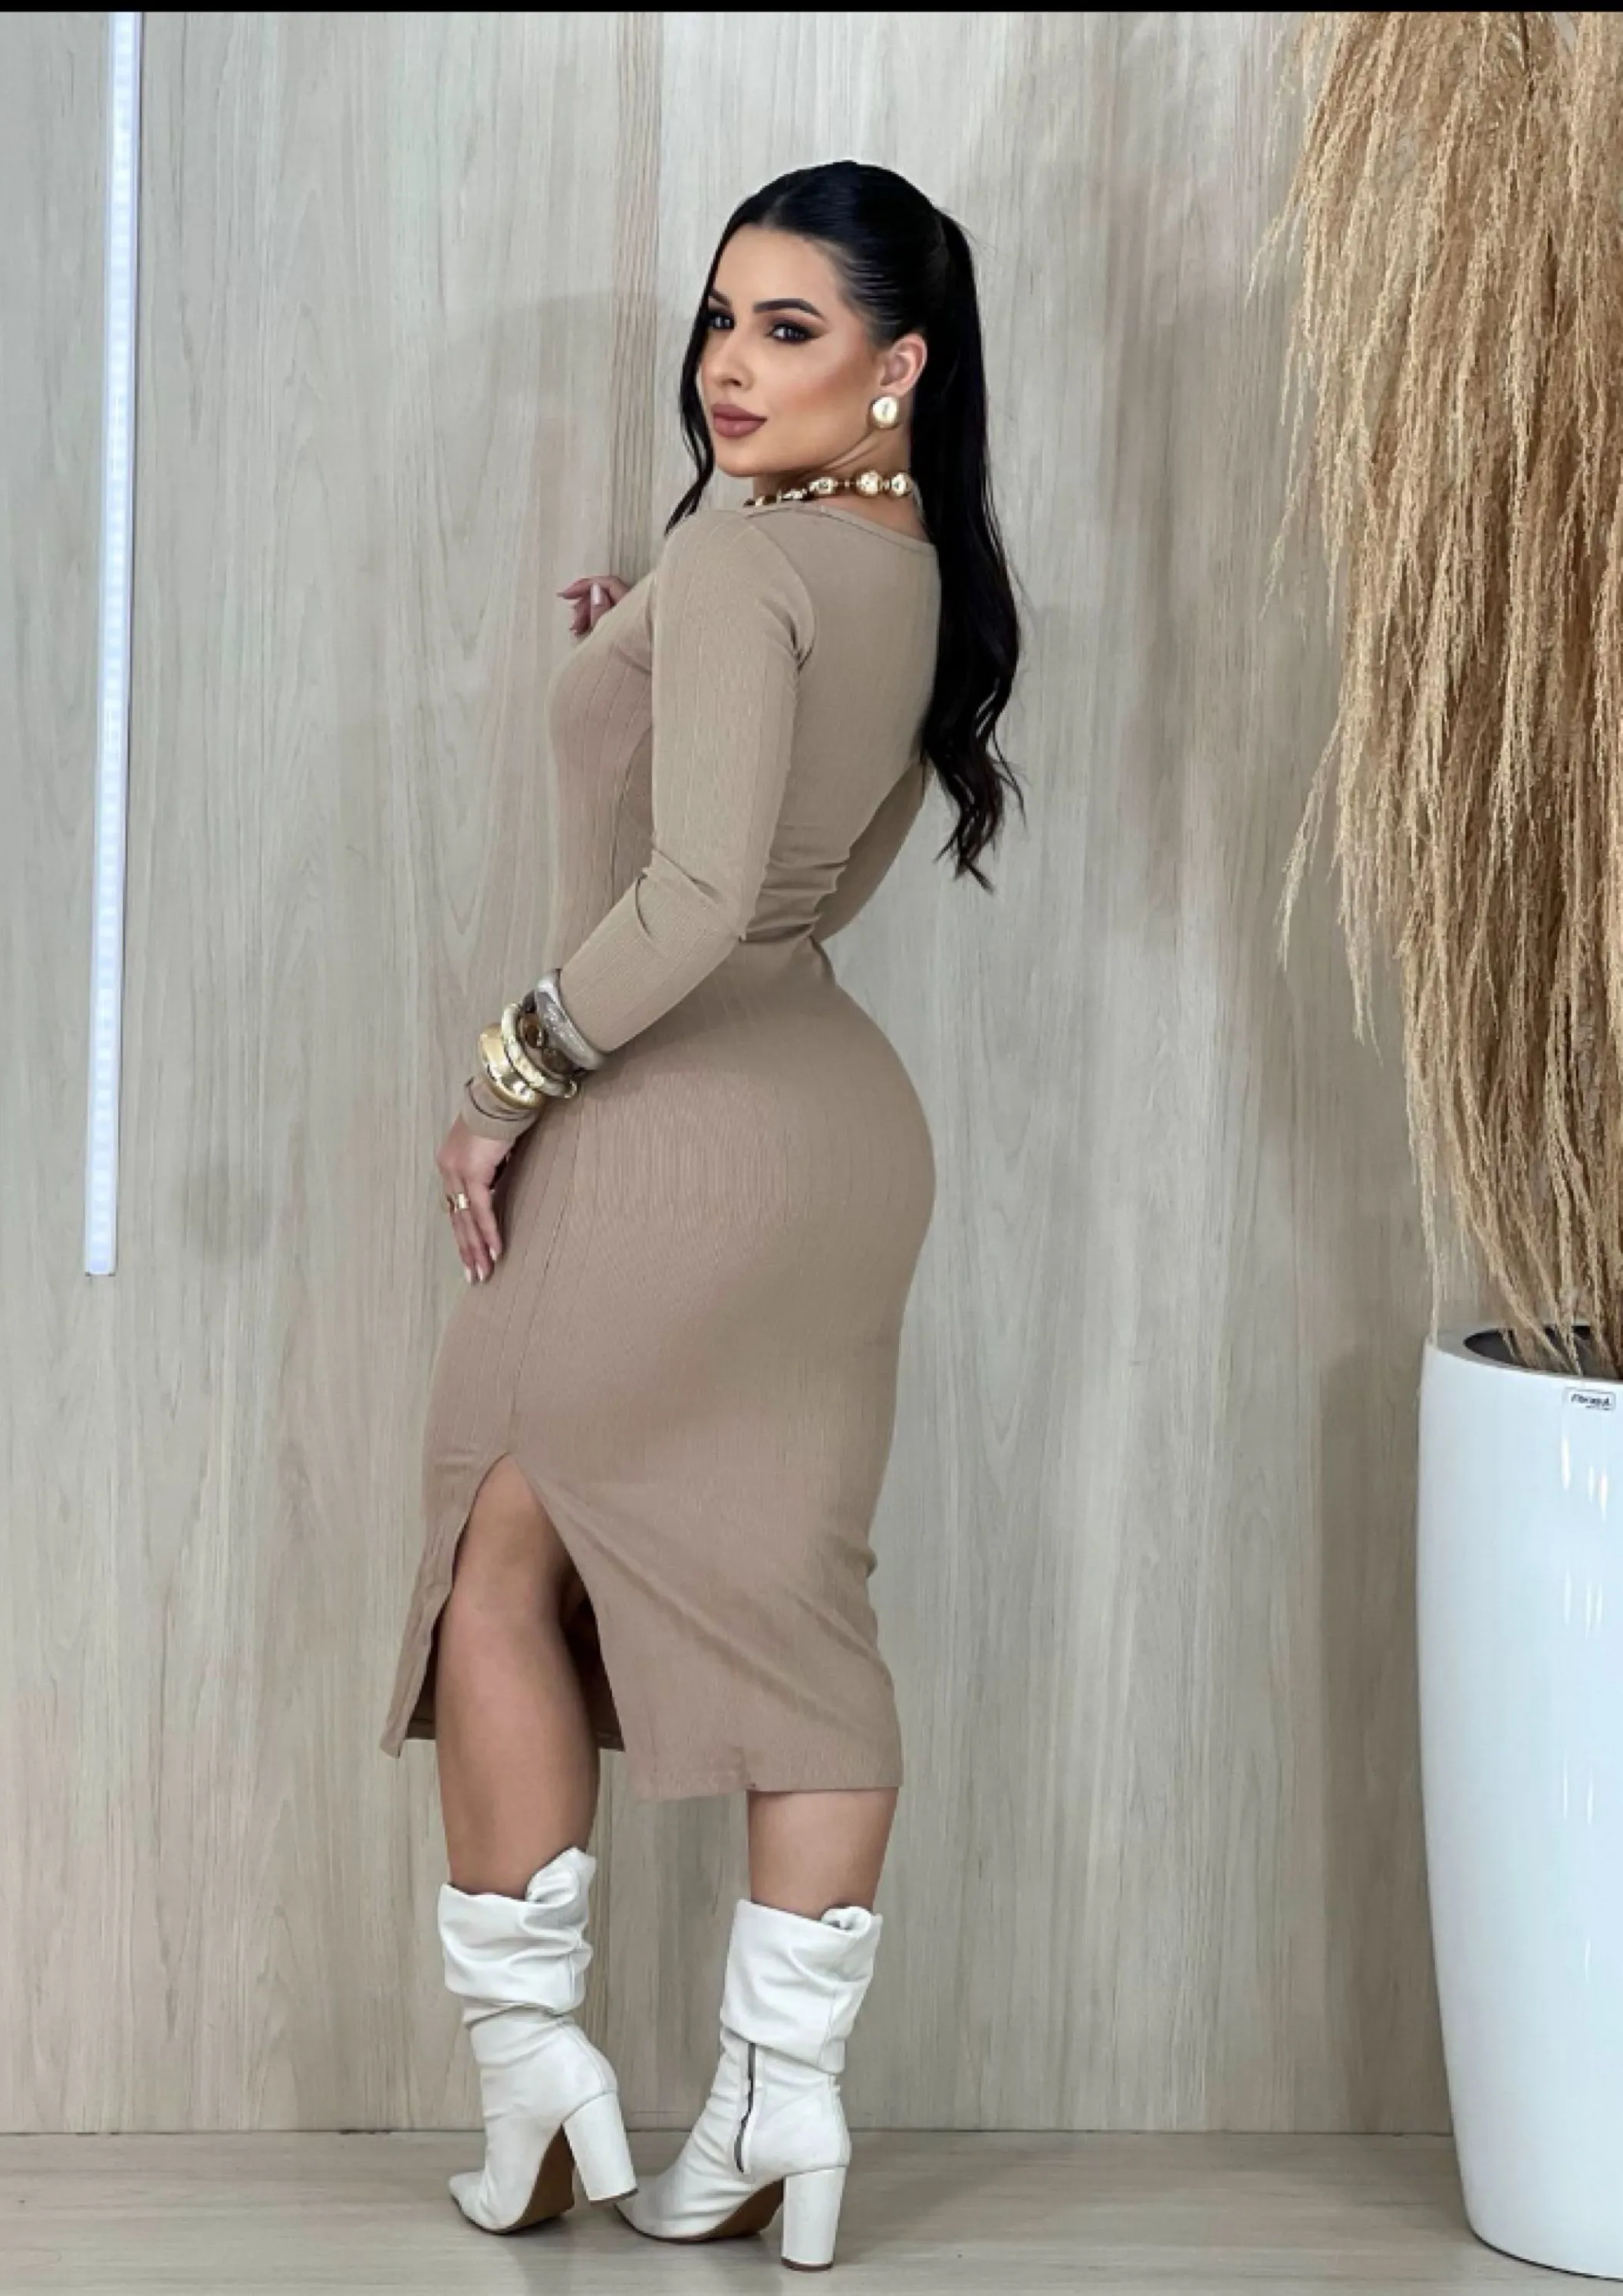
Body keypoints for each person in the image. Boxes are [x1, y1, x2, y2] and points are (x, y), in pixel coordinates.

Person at [378, 156, 1021, 2271]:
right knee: (800, 1616)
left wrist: (505, 1082)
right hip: (837, 1136)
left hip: (672, 1128)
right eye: (722, 321)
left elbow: (696, 899)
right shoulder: (917, 570)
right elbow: (811, 876)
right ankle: (775, 2110)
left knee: (500, 1562)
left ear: (896, 365)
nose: (730, 367)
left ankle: (535, 2083)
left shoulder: (747, 559)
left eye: (790, 329)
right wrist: (647, 646)